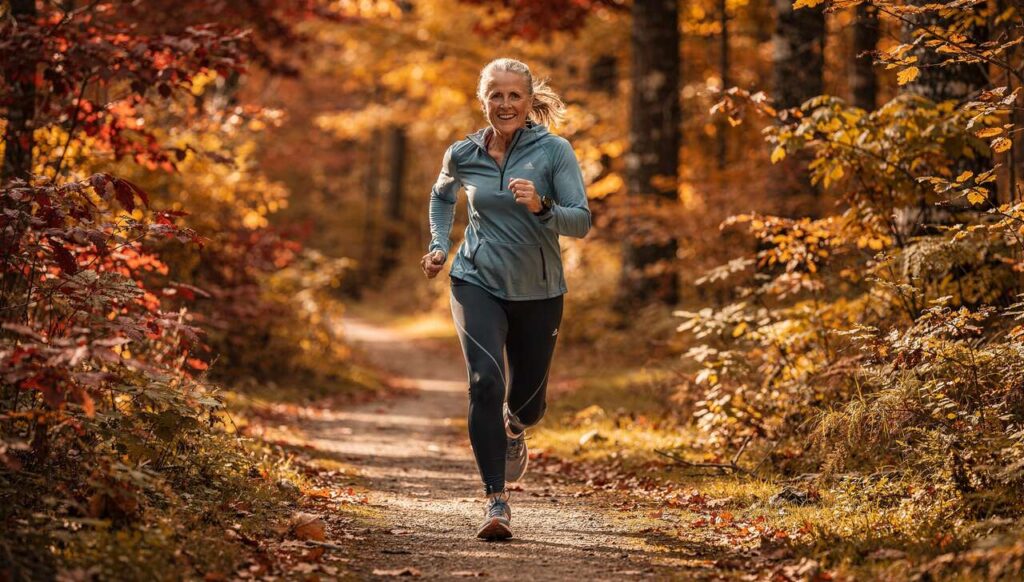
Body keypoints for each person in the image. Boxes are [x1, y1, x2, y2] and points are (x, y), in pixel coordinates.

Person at [420, 57, 592, 540]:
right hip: (476, 278)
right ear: (484, 100)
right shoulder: (463, 153)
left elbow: (581, 221)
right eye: (496, 94)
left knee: (529, 404)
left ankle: (515, 428)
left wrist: (542, 207)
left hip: (539, 289)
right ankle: (496, 501)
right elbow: (441, 196)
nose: (505, 103)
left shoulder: (555, 151)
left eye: (515, 95)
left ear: (529, 100)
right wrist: (438, 244)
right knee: (484, 382)